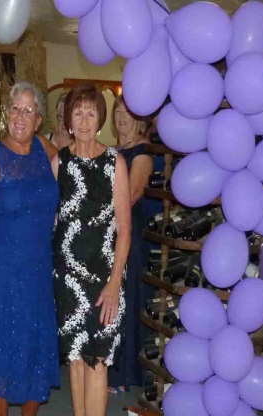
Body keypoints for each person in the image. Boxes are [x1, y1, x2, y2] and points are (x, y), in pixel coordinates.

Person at [0, 81, 60, 416]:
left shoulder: (45, 150)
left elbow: (67, 174)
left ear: (38, 120)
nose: (20, 115)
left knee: (34, 352)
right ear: (6, 114)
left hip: (36, 275)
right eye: (15, 108)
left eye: (28, 110)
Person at [51, 83, 131, 416]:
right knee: (74, 357)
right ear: (68, 120)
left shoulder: (115, 163)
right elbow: (51, 222)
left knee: (97, 359)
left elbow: (125, 229)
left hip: (104, 279)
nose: (84, 120)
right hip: (67, 278)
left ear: (100, 120)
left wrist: (114, 285)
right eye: (78, 112)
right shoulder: (59, 163)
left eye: (91, 112)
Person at [107, 95, 155, 394]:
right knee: (112, 297)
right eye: (117, 110)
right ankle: (111, 368)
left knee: (129, 298)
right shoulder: (113, 150)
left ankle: (127, 375)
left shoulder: (142, 152)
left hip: (132, 233)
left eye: (127, 111)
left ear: (140, 118)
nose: (121, 115)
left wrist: (99, 214)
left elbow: (133, 193)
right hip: (109, 232)